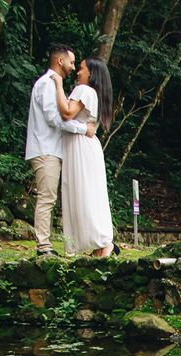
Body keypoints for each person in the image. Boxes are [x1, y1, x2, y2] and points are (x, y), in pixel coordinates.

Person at [25, 44, 97, 257]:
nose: (74, 67)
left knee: (50, 198)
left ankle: (45, 245)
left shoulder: (54, 85)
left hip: (51, 149)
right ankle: (43, 247)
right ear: (60, 61)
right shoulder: (47, 84)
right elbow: (54, 119)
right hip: (45, 148)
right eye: (72, 62)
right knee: (47, 198)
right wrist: (83, 129)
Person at [50, 57, 118, 258]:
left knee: (84, 194)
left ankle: (103, 244)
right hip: (88, 147)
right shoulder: (96, 94)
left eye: (81, 69)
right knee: (91, 194)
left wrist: (58, 84)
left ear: (91, 74)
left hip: (80, 147)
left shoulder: (84, 90)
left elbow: (68, 112)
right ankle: (101, 244)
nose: (78, 72)